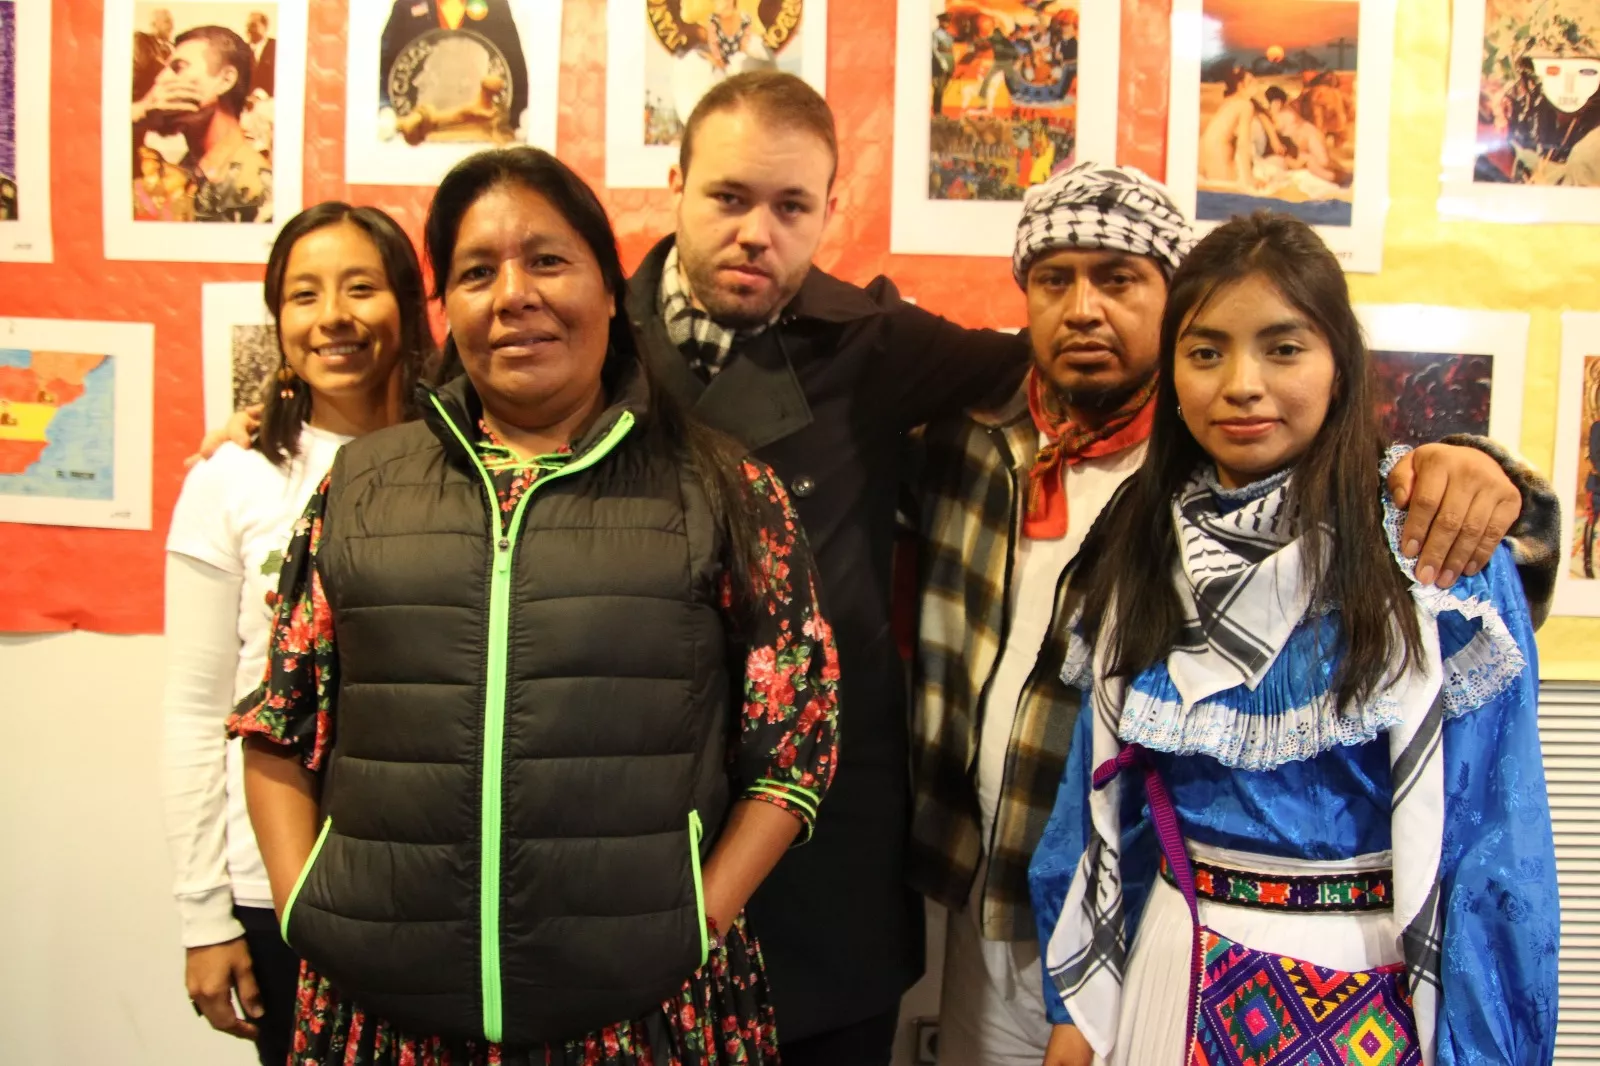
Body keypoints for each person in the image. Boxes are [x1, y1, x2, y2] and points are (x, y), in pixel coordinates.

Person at [909, 166, 1555, 1066]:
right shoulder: (1139, 539)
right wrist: (1080, 1015)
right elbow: (1100, 808)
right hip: (1167, 963)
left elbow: (1494, 840)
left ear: (1341, 360)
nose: (1243, 384)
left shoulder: (1425, 549)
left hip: (1371, 975)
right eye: (1207, 352)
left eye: (1284, 349)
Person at [228, 145, 841, 1065]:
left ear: (609, 291)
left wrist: (696, 922)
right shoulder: (362, 485)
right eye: (476, 272)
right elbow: (281, 721)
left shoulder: (723, 488)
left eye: (547, 260)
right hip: (380, 1017)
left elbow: (796, 742)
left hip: (647, 1016)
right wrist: (303, 903)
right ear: (448, 312)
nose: (513, 294)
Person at [161, 202, 433, 1066]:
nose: (333, 318)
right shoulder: (233, 480)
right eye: (304, 295)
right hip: (274, 882)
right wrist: (205, 914)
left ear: (409, 305)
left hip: (438, 880)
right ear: (278, 318)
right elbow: (196, 713)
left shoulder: (466, 458)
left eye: (362, 288)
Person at [132, 25, 270, 222]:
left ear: (225, 80)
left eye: (178, 67)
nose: (161, 79)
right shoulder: (189, 170)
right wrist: (139, 116)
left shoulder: (255, 185)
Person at [379, 0, 528, 143]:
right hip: (419, 134)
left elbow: (515, 69)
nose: (419, 80)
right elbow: (383, 65)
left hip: (479, 135)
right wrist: (385, 109)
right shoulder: (406, 5)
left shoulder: (495, 5)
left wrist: (516, 120)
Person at [132, 7, 175, 103]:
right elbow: (148, 63)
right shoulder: (141, 39)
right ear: (154, 25)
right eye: (167, 22)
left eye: (172, 22)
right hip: (142, 100)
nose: (172, 26)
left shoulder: (173, 47)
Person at [245, 11, 276, 98]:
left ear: (265, 27)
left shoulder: (276, 47)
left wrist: (261, 94)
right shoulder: (242, 50)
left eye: (253, 25)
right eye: (247, 26)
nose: (248, 30)